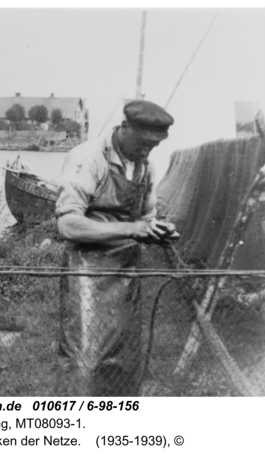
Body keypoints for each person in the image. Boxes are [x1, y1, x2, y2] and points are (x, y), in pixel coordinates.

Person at [55, 99, 177, 396]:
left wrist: (157, 229)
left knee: (122, 357)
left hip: (126, 272)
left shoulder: (145, 166)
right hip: (87, 270)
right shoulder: (88, 158)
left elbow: (146, 217)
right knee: (85, 356)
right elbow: (68, 225)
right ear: (125, 128)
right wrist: (131, 229)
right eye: (143, 143)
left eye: (154, 146)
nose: (147, 152)